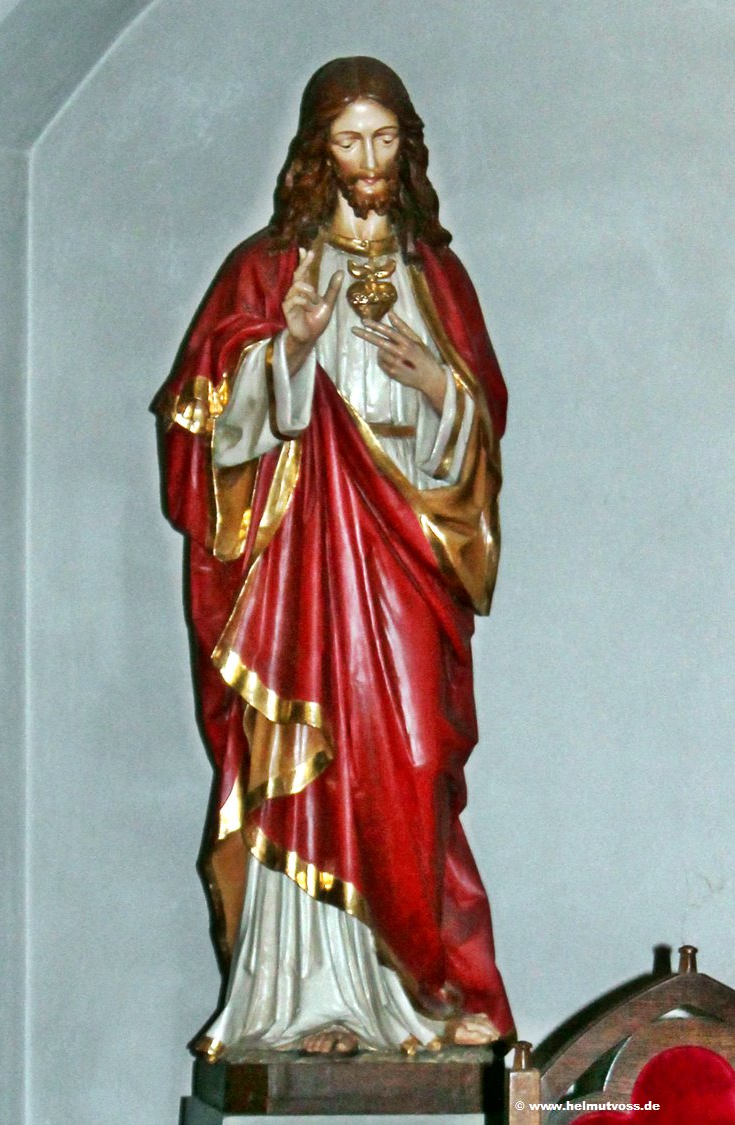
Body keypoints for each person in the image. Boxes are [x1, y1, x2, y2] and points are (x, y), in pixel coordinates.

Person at [156, 56, 514, 1057]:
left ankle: (415, 991)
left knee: (412, 758)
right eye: (349, 140)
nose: (368, 160)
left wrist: (438, 387)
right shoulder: (267, 270)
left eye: (385, 138)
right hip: (302, 571)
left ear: (409, 146)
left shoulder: (438, 277)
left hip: (406, 564)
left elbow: (482, 433)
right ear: (318, 150)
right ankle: (308, 1002)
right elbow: (203, 433)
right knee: (307, 763)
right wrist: (288, 349)